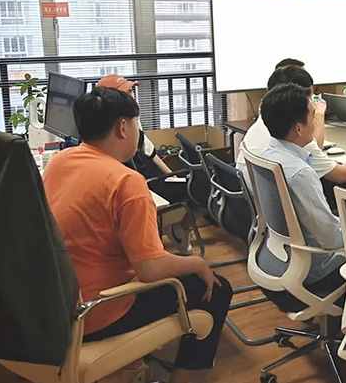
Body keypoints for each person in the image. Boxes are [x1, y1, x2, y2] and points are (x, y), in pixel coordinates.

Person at [43, 87, 231, 383]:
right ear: (123, 127)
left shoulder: (60, 162)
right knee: (217, 289)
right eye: (136, 123)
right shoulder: (126, 181)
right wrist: (197, 263)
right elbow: (150, 268)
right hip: (95, 312)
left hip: (56, 306)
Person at [253, 83, 346, 309]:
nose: (315, 121)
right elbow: (332, 240)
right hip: (314, 274)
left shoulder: (267, 154)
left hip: (274, 260)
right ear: (298, 128)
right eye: (313, 116)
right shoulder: (300, 173)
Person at [235, 65, 346, 203]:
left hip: (258, 200)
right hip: (276, 203)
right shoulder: (295, 148)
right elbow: (340, 175)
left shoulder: (269, 119)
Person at [96, 73, 193, 255]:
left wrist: (172, 176)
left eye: (131, 91)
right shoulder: (114, 133)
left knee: (195, 183)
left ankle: (178, 229)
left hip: (154, 176)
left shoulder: (132, 119)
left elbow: (151, 152)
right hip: (145, 183)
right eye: (127, 92)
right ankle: (178, 230)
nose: (132, 95)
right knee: (199, 189)